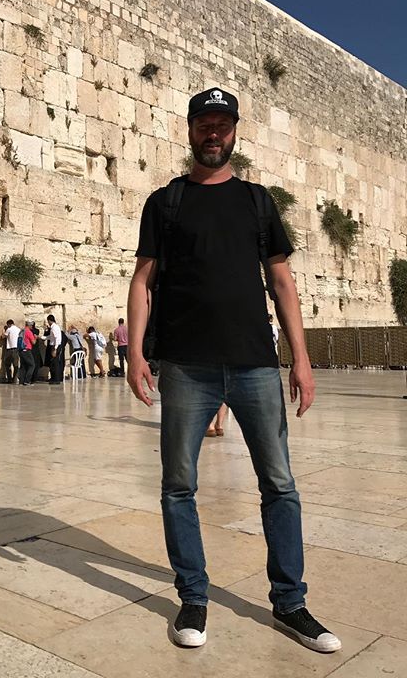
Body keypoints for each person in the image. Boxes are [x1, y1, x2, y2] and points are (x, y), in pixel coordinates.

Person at [127, 87, 340, 653]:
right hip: (186, 368)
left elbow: (283, 283)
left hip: (255, 367)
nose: (213, 133)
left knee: (280, 485)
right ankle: (193, 597)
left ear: (235, 133)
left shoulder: (257, 201)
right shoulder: (165, 202)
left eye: (222, 124)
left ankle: (291, 602)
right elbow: (143, 281)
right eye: (204, 123)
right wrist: (134, 354)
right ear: (190, 130)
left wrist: (302, 359)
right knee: (179, 486)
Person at [17, 320, 37, 385]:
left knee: (23, 366)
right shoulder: (28, 332)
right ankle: (27, 381)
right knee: (32, 365)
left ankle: (21, 381)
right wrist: (35, 338)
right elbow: (33, 342)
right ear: (29, 325)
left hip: (21, 350)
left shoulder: (22, 331)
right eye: (31, 325)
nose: (32, 327)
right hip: (26, 350)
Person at [46, 315, 64, 384]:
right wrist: (43, 337)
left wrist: (55, 348)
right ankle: (53, 378)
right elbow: (51, 337)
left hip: (55, 346)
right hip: (53, 346)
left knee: (55, 363)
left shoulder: (54, 327)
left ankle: (56, 380)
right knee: (52, 363)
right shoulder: (53, 327)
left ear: (50, 320)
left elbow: (57, 338)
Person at [1, 319, 20, 383]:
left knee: (7, 364)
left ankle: (9, 379)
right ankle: (15, 379)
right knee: (16, 365)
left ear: (9, 324)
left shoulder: (9, 329)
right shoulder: (18, 329)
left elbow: (3, 336)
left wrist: (3, 331)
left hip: (10, 349)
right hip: (17, 349)